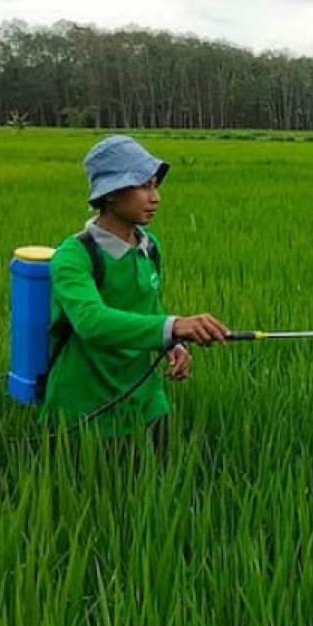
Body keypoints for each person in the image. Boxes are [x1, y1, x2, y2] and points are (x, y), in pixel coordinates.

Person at [40, 135, 229, 446]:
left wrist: (172, 344)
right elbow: (91, 321)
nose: (155, 197)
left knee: (159, 485)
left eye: (155, 185)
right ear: (111, 194)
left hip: (145, 399)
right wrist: (174, 326)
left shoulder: (149, 246)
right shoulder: (73, 256)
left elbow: (149, 307)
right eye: (144, 186)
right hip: (85, 408)